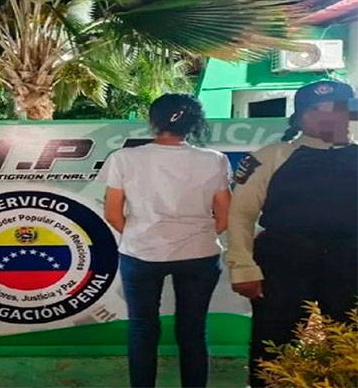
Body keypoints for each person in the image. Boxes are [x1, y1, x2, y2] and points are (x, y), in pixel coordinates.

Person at [226, 80, 358, 387]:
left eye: (336, 109)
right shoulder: (270, 156)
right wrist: (243, 267)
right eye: (317, 110)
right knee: (272, 347)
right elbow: (241, 215)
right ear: (299, 118)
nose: (328, 116)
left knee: (350, 347)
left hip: (350, 263)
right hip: (284, 262)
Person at [98, 94, 232, 388]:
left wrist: (141, 236)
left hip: (141, 254)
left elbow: (112, 214)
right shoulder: (214, 160)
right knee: (193, 331)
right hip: (200, 254)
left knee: (142, 329)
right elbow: (224, 216)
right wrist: (198, 236)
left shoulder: (124, 158)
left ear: (151, 121)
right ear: (194, 123)